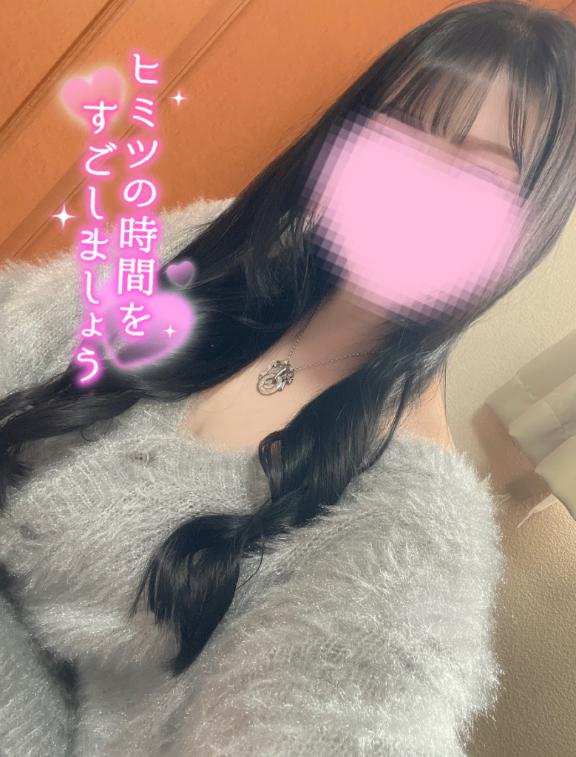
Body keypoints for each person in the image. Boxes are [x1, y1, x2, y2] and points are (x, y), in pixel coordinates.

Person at [1, 1, 575, 754]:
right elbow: (20, 330)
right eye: (399, 130)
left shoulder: (412, 537)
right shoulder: (220, 248)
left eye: (476, 172)